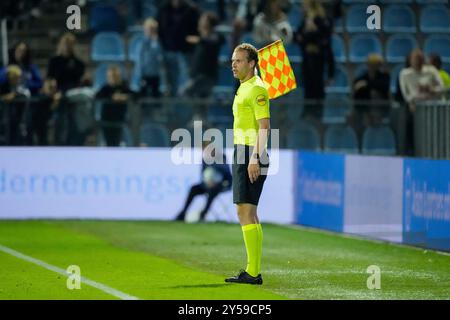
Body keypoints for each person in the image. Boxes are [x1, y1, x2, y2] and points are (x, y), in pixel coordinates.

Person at [224, 43, 270, 285]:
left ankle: (253, 273)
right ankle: (253, 270)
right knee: (250, 212)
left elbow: (265, 127)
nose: (233, 64)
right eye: (233, 60)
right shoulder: (244, 88)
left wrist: (254, 157)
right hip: (243, 151)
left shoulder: (256, 89)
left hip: (250, 153)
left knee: (244, 212)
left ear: (252, 63)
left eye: (239, 60)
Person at [399, 48, 444, 155]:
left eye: (420, 59)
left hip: (433, 112)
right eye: (415, 59)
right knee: (416, 141)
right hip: (415, 112)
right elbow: (407, 96)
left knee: (435, 140)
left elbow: (442, 88)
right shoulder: (405, 74)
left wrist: (431, 90)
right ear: (410, 60)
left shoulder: (431, 71)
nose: (417, 61)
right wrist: (421, 95)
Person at [295, 0, 334, 121]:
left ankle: (318, 114)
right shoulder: (305, 20)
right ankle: (307, 112)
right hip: (307, 58)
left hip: (319, 58)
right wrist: (307, 35)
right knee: (308, 86)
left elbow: (324, 40)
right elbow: (298, 37)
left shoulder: (322, 19)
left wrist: (311, 33)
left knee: (317, 86)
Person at [174, 140, 232, 222]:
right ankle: (183, 213)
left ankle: (203, 214)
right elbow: (203, 175)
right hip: (207, 184)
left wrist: (215, 181)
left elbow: (226, 173)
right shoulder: (204, 159)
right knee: (193, 189)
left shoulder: (221, 157)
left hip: (222, 184)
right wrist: (207, 183)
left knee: (213, 190)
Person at [183, 11, 223, 98]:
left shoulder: (215, 37)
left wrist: (199, 40)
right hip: (197, 75)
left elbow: (213, 41)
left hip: (207, 76)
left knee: (184, 93)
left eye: (203, 21)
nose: (200, 22)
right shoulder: (201, 40)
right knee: (200, 104)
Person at [351, 54, 390, 140]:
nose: (372, 66)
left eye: (375, 64)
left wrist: (366, 85)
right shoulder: (362, 77)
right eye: (371, 64)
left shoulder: (384, 76)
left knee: (374, 93)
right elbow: (357, 88)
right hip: (364, 110)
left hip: (379, 109)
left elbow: (382, 86)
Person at [95, 66, 133, 147]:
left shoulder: (123, 87)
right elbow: (97, 96)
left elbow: (135, 95)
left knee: (117, 141)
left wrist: (124, 96)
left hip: (119, 119)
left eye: (114, 76)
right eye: (110, 76)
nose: (112, 78)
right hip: (107, 119)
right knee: (108, 142)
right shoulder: (106, 88)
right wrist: (112, 97)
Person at [0, 65, 30, 145]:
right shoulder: (3, 85)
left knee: (19, 136)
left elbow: (26, 93)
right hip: (5, 117)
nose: (17, 78)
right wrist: (4, 97)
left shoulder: (21, 85)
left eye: (18, 77)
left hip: (19, 117)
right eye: (14, 76)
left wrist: (14, 95)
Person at [136, 18, 163, 99]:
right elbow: (140, 60)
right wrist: (141, 74)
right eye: (149, 29)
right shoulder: (142, 43)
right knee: (143, 96)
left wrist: (155, 41)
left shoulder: (157, 43)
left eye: (153, 29)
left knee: (156, 96)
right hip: (144, 74)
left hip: (155, 74)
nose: (151, 31)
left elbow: (159, 54)